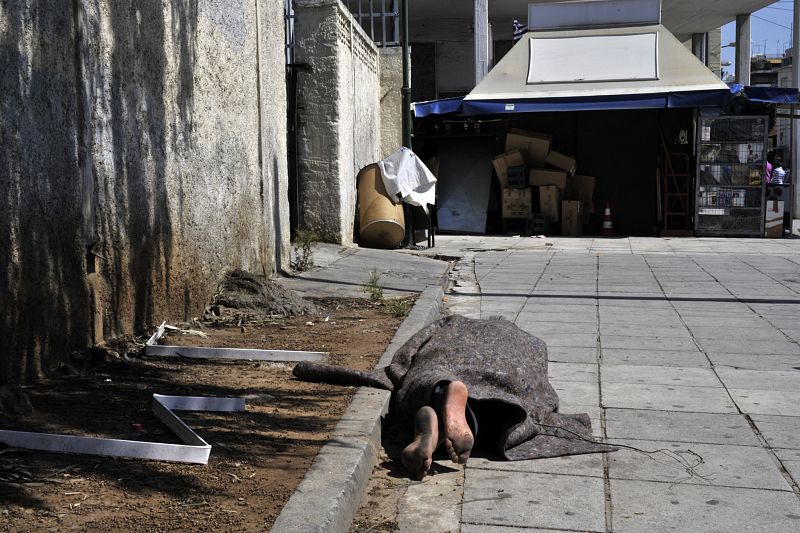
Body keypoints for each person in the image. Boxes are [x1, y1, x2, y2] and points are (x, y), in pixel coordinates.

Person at [292, 315, 615, 479]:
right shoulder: (528, 340)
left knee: (428, 379)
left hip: (446, 361)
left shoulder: (449, 323)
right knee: (517, 406)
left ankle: (441, 397)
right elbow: (541, 385)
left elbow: (407, 357)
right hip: (507, 369)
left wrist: (401, 374)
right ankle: (458, 413)